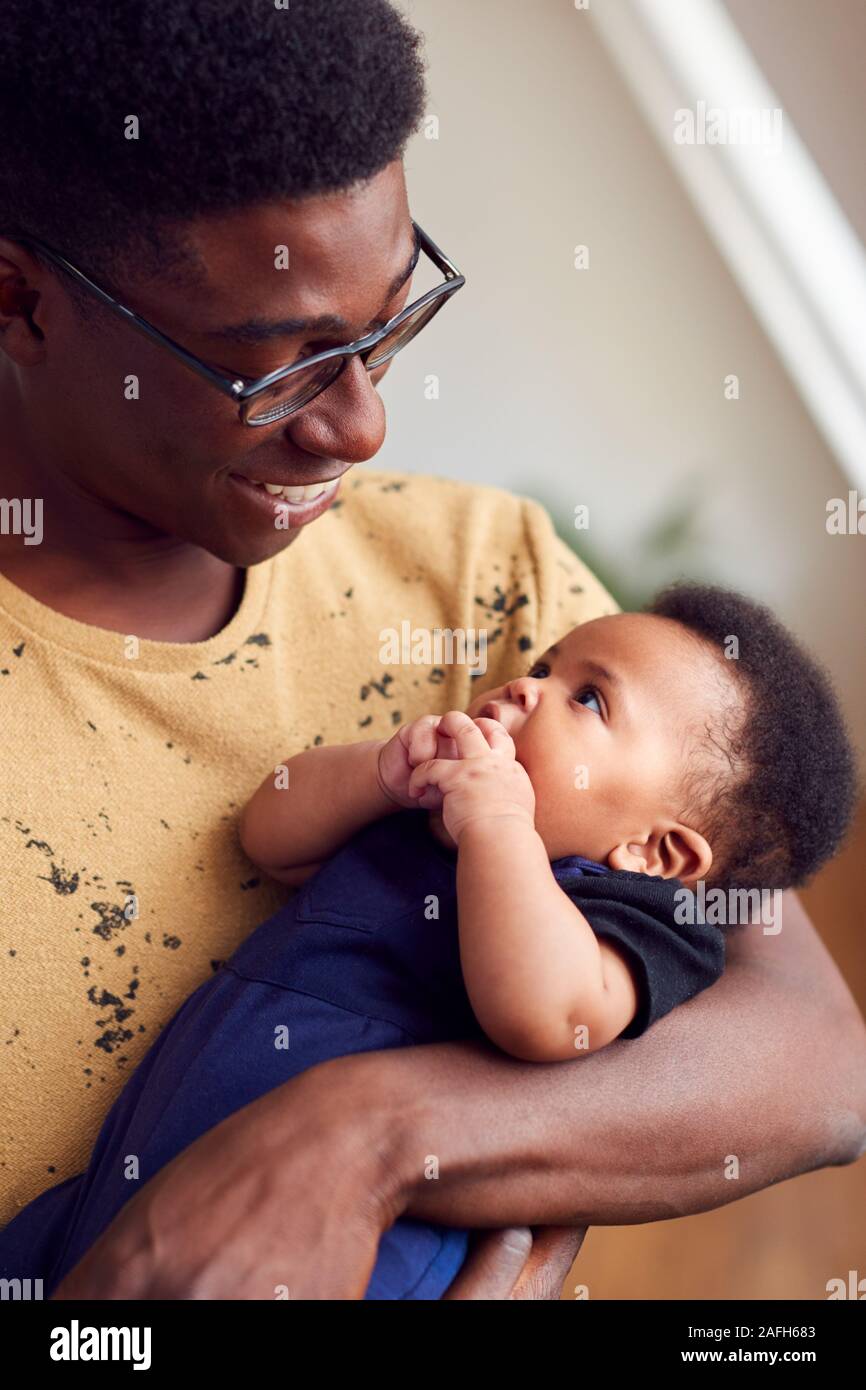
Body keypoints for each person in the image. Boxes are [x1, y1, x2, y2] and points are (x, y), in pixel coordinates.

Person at [0, 0, 864, 1300]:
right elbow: (274, 821)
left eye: (390, 321)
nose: (361, 424)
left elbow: (812, 1059)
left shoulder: (483, 575)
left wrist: (359, 1137)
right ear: (20, 298)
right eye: (276, 367)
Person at [0, 583, 857, 1299]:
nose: (528, 690)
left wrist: (499, 829)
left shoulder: (629, 920)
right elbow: (269, 835)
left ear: (656, 852)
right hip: (133, 1170)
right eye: (543, 668)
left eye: (587, 700)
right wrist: (379, 773)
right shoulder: (430, 813)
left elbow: (546, 1015)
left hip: (346, 1246)